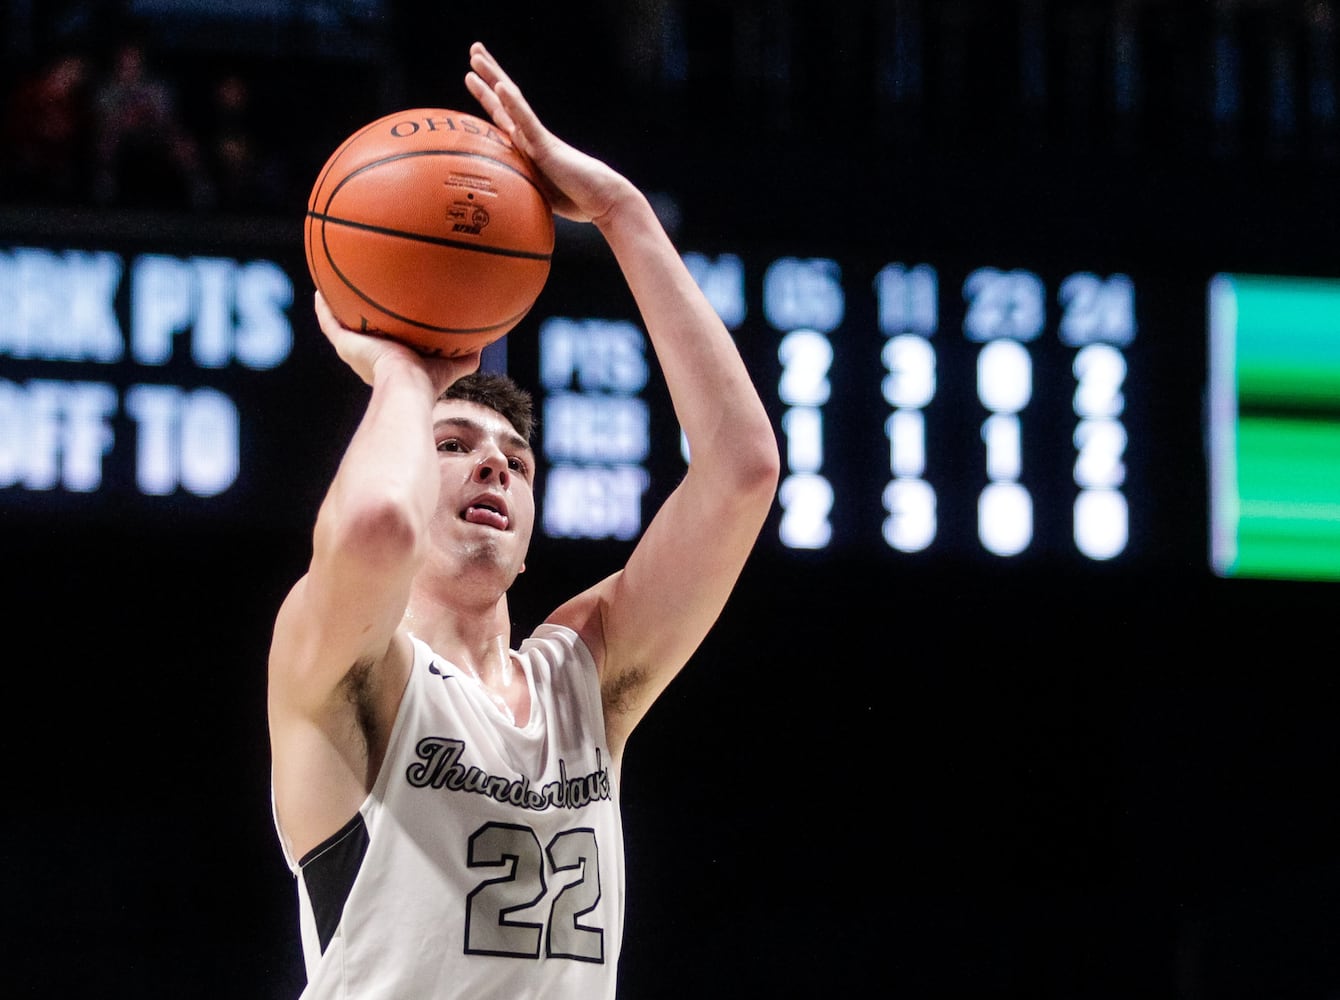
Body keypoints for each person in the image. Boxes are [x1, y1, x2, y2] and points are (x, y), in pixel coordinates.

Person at [267, 41, 779, 999]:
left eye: (516, 459)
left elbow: (743, 470)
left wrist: (623, 213)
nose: (493, 461)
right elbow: (377, 526)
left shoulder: (584, 680)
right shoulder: (345, 668)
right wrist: (406, 375)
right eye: (453, 445)